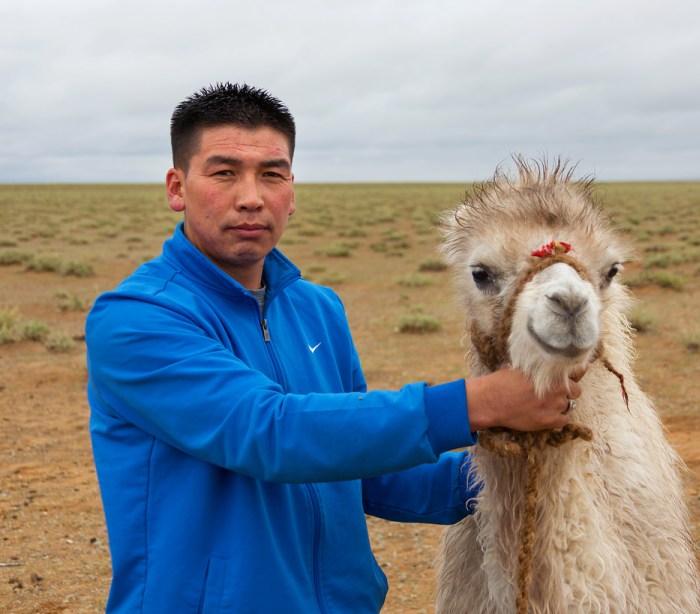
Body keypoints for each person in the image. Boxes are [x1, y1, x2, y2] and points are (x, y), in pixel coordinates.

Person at [86, 82, 581, 613]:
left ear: (292, 193)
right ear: (177, 187)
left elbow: (359, 468)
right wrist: (478, 403)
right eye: (224, 172)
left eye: (271, 174)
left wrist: (506, 474)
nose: (250, 196)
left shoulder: (316, 308)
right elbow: (268, 432)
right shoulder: (137, 319)